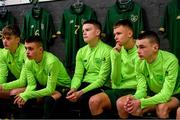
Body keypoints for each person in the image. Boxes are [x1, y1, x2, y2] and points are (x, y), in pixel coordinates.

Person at [118, 31, 179, 119]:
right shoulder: (139, 61)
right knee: (128, 105)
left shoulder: (171, 61)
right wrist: (134, 98)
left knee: (162, 107)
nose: (138, 51)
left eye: (142, 47)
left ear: (155, 48)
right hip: (154, 92)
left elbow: (166, 95)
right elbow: (142, 89)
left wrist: (140, 102)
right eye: (137, 47)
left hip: (174, 93)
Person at [88, 19, 138, 118]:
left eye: (119, 33)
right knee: (94, 101)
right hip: (119, 89)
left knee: (122, 104)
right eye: (115, 34)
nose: (115, 37)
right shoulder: (115, 51)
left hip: (136, 89)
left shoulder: (141, 49)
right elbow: (115, 81)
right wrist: (116, 56)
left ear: (129, 33)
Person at [13, 36, 71, 118]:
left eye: (30, 49)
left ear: (40, 50)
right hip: (45, 85)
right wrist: (25, 95)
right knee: (20, 98)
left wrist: (28, 95)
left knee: (49, 100)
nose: (27, 52)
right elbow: (31, 85)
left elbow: (50, 90)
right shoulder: (28, 62)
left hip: (62, 87)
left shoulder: (51, 62)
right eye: (26, 48)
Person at [66, 20, 112, 118]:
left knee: (83, 99)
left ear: (97, 32)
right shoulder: (81, 51)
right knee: (65, 98)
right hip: (86, 83)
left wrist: (80, 92)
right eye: (83, 31)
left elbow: (101, 80)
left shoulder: (107, 50)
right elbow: (78, 75)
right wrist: (73, 89)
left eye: (87, 30)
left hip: (102, 86)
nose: (84, 33)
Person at [0, 25, 26, 118]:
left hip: (36, 84)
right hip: (22, 84)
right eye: (3, 38)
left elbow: (24, 81)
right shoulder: (3, 53)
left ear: (18, 40)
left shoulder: (26, 52)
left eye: (8, 38)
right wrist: (0, 85)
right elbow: (2, 76)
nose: (4, 41)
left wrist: (3, 86)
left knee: (14, 92)